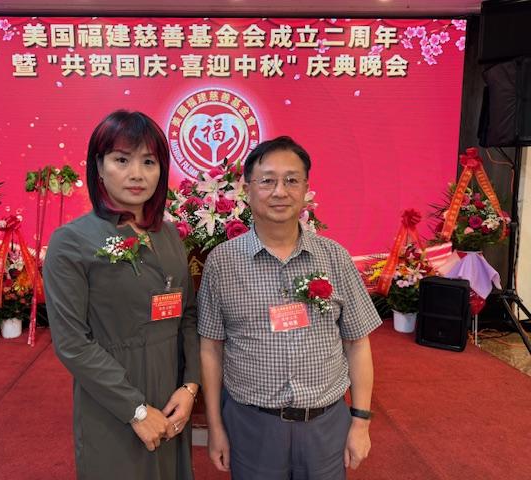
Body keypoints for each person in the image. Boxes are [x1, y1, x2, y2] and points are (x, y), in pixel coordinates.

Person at [198, 136, 382, 480]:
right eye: (267, 181)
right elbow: (210, 348)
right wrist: (215, 426)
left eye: (291, 180)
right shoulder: (222, 263)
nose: (280, 191)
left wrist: (360, 422)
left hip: (325, 425)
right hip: (252, 425)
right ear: (247, 190)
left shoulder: (335, 257)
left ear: (306, 189)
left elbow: (358, 342)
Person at [43, 110, 200, 480]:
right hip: (113, 395)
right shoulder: (71, 241)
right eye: (122, 160)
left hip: (171, 389)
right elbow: (72, 343)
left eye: (149, 162)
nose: (137, 174)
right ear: (99, 167)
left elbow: (189, 315)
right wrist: (136, 410)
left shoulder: (169, 235)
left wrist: (190, 387)